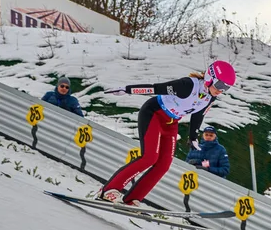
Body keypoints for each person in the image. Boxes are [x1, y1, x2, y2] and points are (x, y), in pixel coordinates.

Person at [99, 60, 236, 206]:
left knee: (164, 164)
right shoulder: (188, 85)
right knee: (149, 157)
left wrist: (193, 137)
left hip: (171, 122)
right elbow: (156, 88)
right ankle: (109, 190)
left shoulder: (210, 96)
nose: (221, 90)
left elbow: (198, 115)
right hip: (154, 113)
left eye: (226, 88)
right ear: (210, 78)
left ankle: (132, 198)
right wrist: (128, 89)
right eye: (220, 85)